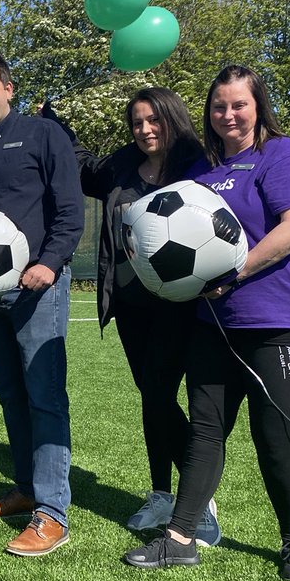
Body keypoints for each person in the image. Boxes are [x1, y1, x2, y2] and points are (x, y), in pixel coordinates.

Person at [123, 65, 290, 581]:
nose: (228, 115)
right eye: (219, 107)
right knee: (205, 433)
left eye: (238, 104)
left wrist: (239, 270)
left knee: (274, 439)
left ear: (258, 105)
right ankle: (181, 537)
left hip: (281, 323)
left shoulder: (281, 154)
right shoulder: (204, 171)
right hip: (214, 322)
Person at [65, 88, 219, 545]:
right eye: (137, 122)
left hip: (184, 304)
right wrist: (56, 126)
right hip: (132, 305)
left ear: (173, 118)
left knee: (162, 395)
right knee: (153, 399)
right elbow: (85, 167)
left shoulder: (200, 163)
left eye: (154, 120)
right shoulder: (122, 165)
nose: (146, 129)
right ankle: (159, 495)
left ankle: (199, 500)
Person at [0, 51, 83, 556]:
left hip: (38, 288)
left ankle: (52, 514)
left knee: (45, 397)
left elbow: (70, 212)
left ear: (8, 88)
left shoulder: (45, 135)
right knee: (9, 394)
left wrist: (49, 263)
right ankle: (26, 488)